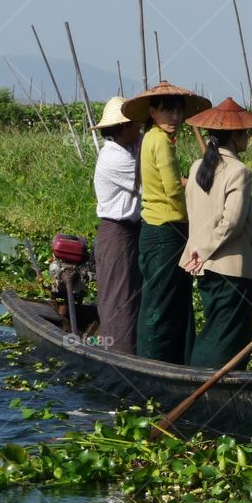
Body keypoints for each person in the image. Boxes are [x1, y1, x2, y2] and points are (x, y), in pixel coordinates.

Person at [121, 81, 211, 364]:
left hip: (159, 231)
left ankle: (175, 362)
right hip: (166, 232)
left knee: (172, 301)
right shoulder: (159, 140)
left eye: (178, 112)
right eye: (167, 111)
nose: (174, 118)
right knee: (160, 304)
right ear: (152, 111)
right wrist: (202, 196)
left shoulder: (151, 137)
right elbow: (173, 188)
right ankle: (153, 364)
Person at [179, 98, 252, 368]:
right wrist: (205, 249)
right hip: (229, 266)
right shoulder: (239, 171)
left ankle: (201, 378)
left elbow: (194, 213)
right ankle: (204, 382)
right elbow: (232, 222)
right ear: (235, 136)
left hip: (202, 265)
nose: (248, 137)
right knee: (227, 336)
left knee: (217, 328)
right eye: (245, 133)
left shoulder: (196, 167)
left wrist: (199, 250)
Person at [92, 97, 142, 354]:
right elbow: (150, 182)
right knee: (120, 298)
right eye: (136, 124)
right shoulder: (113, 156)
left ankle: (130, 349)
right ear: (123, 127)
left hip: (130, 232)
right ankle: (120, 356)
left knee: (133, 293)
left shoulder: (130, 148)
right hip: (117, 233)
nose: (140, 129)